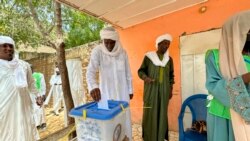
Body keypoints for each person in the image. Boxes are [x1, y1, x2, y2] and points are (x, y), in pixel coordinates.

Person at [205, 10, 250, 141]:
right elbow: (213, 86)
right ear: (234, 34)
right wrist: (246, 77)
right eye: (248, 32)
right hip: (222, 115)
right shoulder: (214, 56)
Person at [86, 26, 133, 140]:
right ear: (103, 41)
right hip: (107, 93)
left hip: (122, 93)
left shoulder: (123, 52)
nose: (109, 46)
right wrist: (93, 87)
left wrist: (130, 90)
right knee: (110, 122)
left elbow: (128, 73)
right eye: (106, 43)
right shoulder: (98, 51)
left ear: (116, 41)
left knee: (124, 119)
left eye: (112, 43)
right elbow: (90, 72)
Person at [0, 35, 42, 141]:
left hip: (24, 108)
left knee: (25, 133)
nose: (8, 48)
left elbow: (31, 84)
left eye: (11, 46)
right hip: (4, 111)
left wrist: (37, 96)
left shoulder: (24, 65)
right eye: (4, 46)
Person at [138, 34, 174, 141]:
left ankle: (160, 137)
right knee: (150, 112)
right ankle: (149, 137)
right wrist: (146, 78)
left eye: (168, 44)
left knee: (162, 113)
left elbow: (171, 75)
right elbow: (140, 71)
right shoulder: (149, 57)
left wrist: (170, 89)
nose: (166, 46)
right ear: (158, 44)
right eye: (164, 43)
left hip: (164, 91)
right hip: (151, 89)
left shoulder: (169, 59)